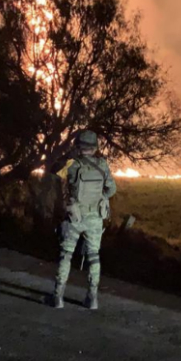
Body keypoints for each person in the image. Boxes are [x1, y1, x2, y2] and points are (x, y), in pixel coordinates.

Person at [49, 130, 116, 310]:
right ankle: (92, 299)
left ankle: (57, 298)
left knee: (66, 254)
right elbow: (111, 190)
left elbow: (53, 170)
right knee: (94, 256)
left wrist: (67, 155)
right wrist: (98, 198)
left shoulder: (71, 165)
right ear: (95, 147)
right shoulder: (102, 165)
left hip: (75, 216)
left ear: (78, 146)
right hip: (95, 218)